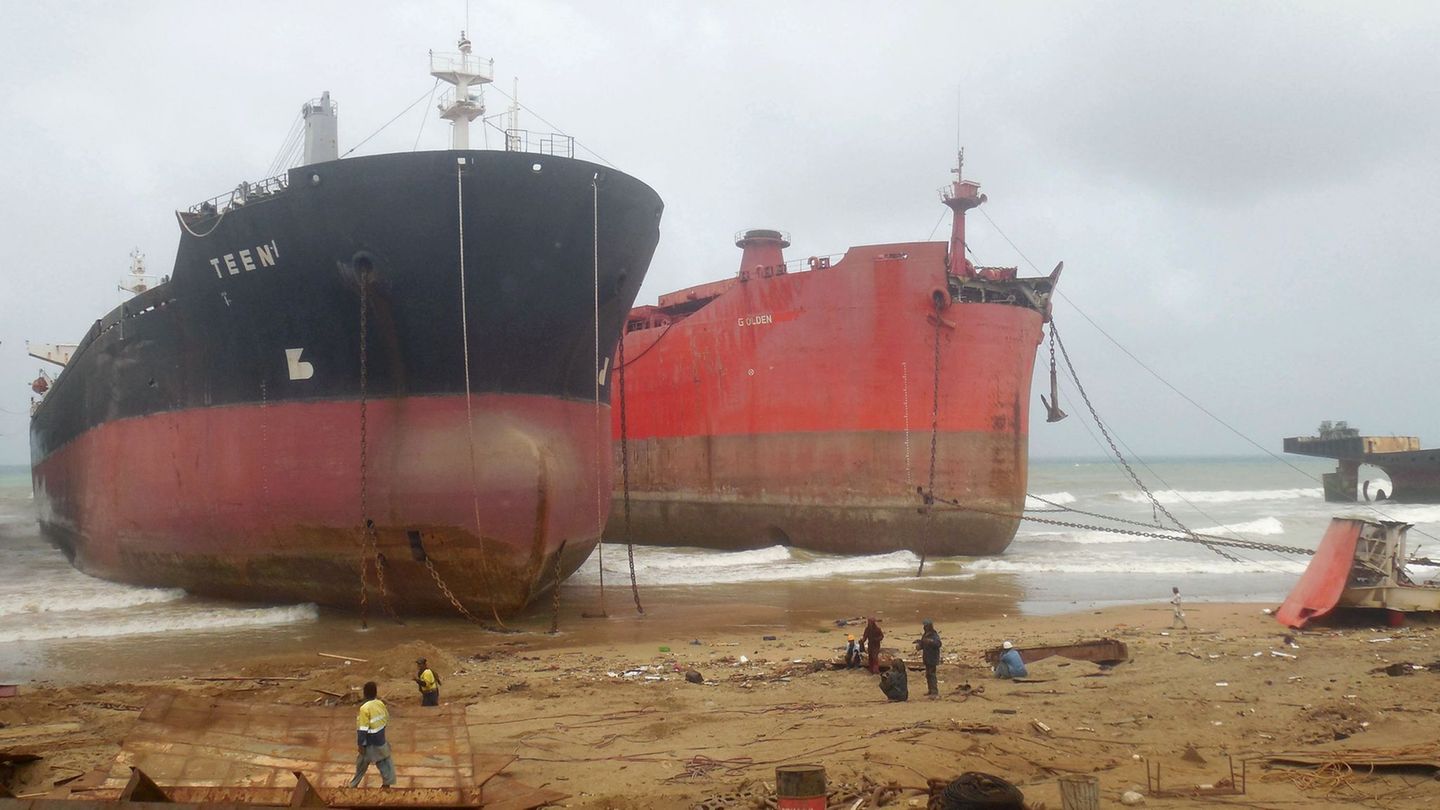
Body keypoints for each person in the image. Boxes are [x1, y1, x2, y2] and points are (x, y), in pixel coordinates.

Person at [351, 681, 395, 787]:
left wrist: (361, 744)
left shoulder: (364, 708)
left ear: (364, 694)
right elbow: (386, 718)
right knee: (384, 762)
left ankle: (353, 785)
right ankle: (387, 784)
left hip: (370, 742)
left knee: (362, 764)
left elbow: (362, 729)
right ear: (375, 693)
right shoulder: (380, 704)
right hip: (380, 738)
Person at [914, 619, 942, 698]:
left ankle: (934, 691)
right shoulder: (925, 635)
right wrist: (919, 645)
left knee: (932, 674)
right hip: (927, 657)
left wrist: (930, 642)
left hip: (932, 658)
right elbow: (923, 643)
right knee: (928, 675)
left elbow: (938, 644)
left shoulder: (934, 635)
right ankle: (930, 690)